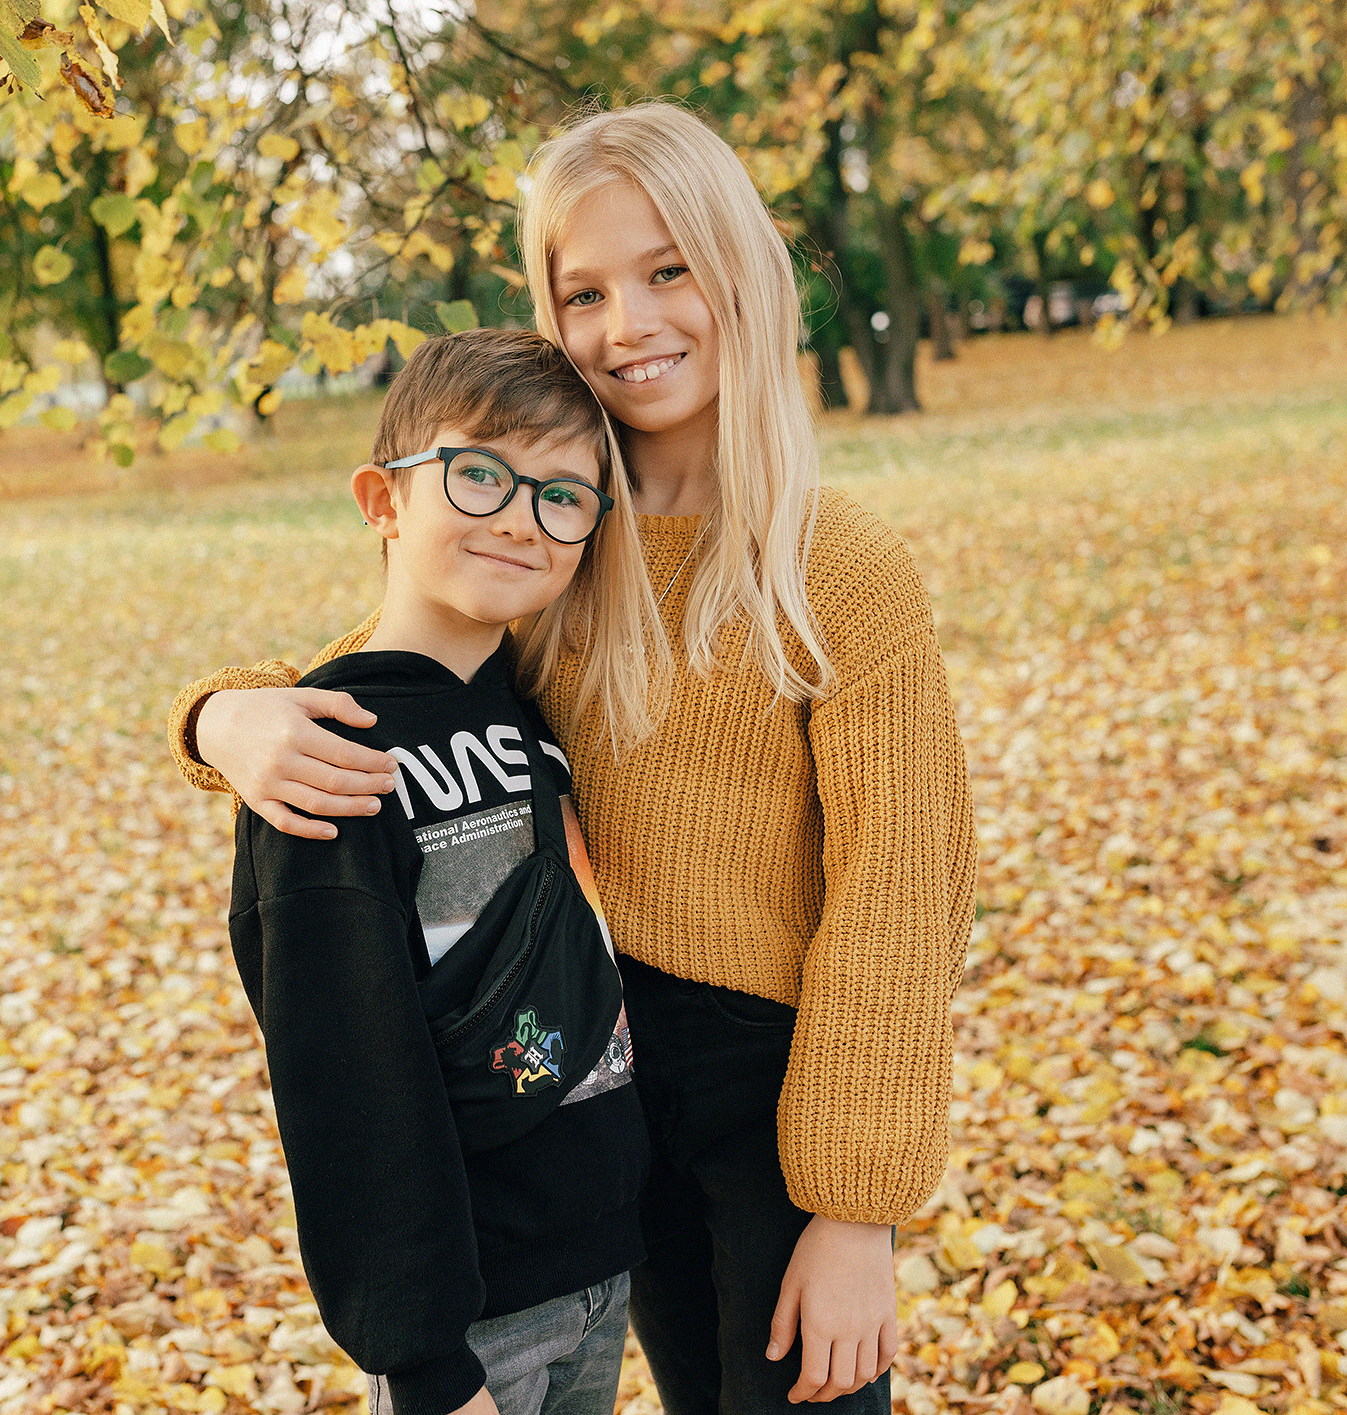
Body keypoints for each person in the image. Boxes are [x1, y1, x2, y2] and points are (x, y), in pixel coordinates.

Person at [169, 101, 977, 1414]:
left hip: (788, 1088)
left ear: (741, 275)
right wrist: (226, 715)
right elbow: (394, 667)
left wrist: (855, 1210)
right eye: (584, 290)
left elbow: (900, 890)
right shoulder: (562, 543)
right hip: (603, 1072)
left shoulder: (837, 567)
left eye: (668, 270)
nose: (628, 324)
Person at [228, 327, 652, 1415]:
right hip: (470, 1323)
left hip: (600, 1270)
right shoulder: (329, 751)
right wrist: (419, 1355)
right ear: (383, 501)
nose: (521, 514)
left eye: (564, 495)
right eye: (480, 473)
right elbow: (341, 1072)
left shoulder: (530, 713)